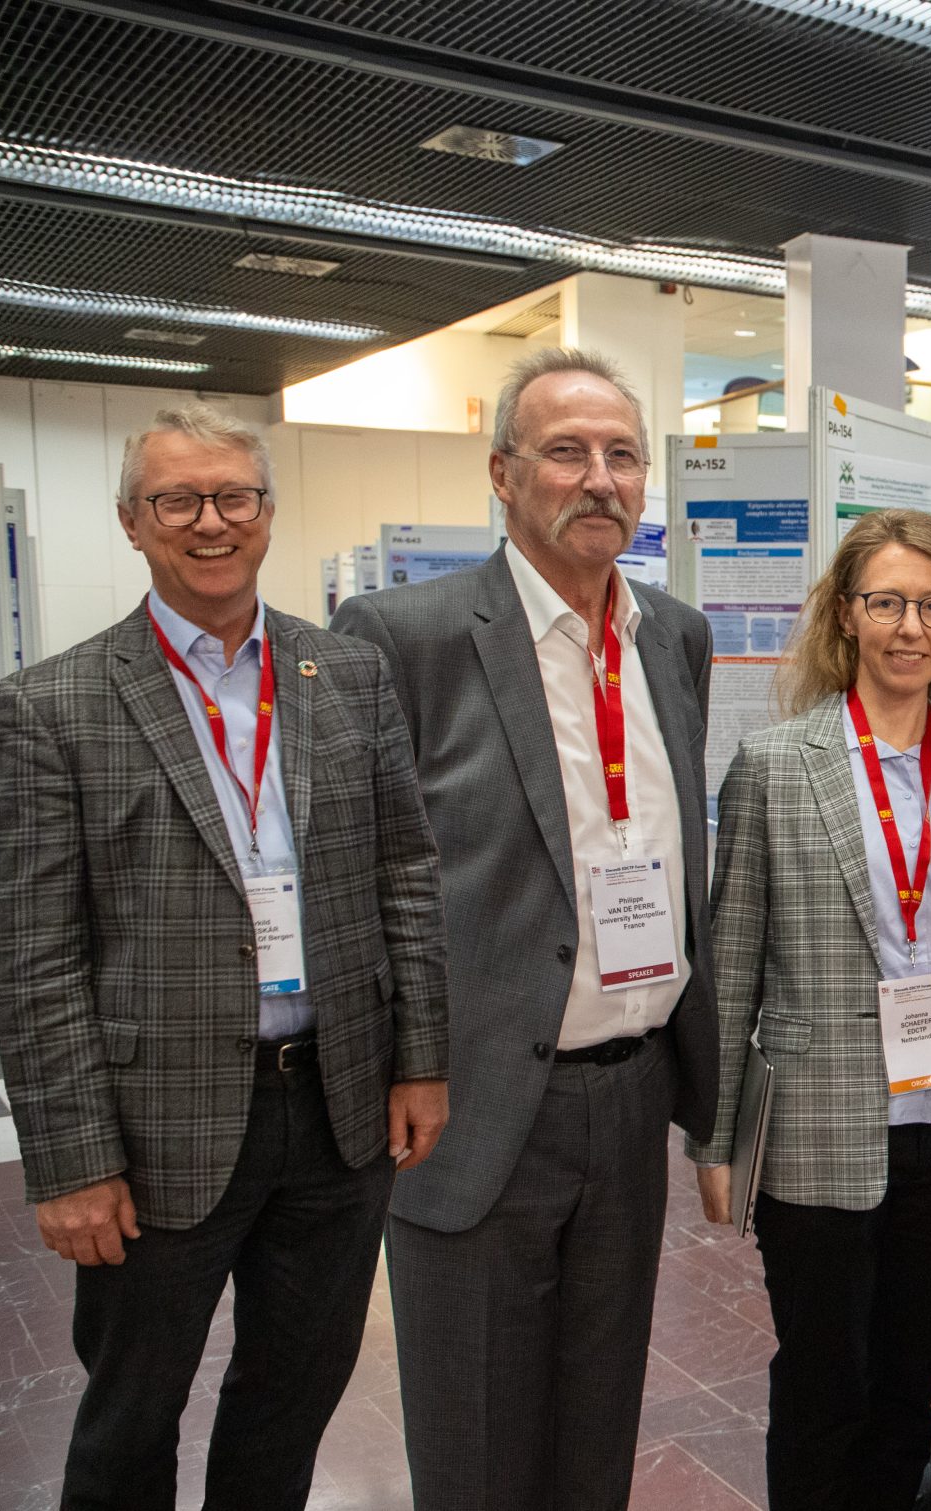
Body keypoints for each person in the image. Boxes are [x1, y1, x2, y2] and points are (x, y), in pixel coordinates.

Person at [0, 403, 449, 1510]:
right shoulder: (54, 705)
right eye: (177, 500)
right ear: (133, 523)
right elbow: (35, 957)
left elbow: (405, 877)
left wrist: (419, 1057)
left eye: (233, 495)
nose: (209, 521)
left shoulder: (348, 677)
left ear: (267, 513)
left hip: (335, 1112)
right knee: (131, 1417)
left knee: (292, 1394)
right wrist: (70, 1160)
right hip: (153, 1132)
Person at [332, 348, 717, 1510]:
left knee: (597, 1424)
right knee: (479, 1440)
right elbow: (352, 881)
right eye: (566, 451)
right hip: (473, 1098)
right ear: (502, 473)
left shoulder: (672, 636)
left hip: (633, 1089)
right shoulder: (404, 635)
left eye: (621, 454)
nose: (598, 478)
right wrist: (398, 1065)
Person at [690, 508, 931, 1511]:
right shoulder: (775, 763)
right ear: (845, 615)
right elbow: (733, 961)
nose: (908, 626)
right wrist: (715, 1144)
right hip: (817, 1129)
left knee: (905, 1391)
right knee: (821, 1387)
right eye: (885, 601)